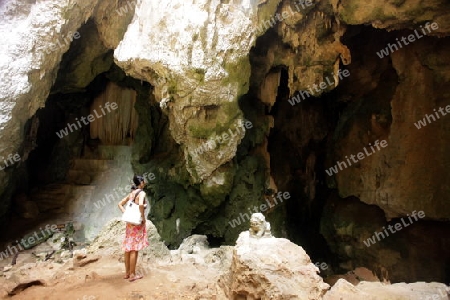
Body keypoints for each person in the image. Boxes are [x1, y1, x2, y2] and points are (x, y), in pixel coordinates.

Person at [118, 175, 149, 282]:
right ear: (141, 183)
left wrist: (126, 214)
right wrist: (143, 218)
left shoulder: (131, 193)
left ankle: (127, 273)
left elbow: (120, 204)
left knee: (128, 248)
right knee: (134, 249)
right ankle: (132, 274)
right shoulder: (142, 193)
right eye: (144, 181)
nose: (145, 183)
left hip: (129, 224)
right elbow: (141, 205)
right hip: (136, 224)